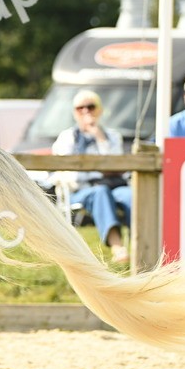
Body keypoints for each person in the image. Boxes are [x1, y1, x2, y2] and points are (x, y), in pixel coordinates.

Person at [52, 89, 132, 264]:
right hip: (82, 189)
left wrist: (99, 137)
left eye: (90, 107)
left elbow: (116, 165)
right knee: (100, 192)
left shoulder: (111, 136)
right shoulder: (67, 138)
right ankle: (118, 248)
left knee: (131, 195)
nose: (86, 111)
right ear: (75, 113)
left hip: (113, 185)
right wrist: (98, 170)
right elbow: (70, 173)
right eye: (80, 108)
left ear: (100, 110)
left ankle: (144, 245)